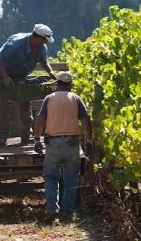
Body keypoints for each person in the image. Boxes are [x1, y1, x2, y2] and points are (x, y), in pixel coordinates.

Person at [33, 71, 93, 223]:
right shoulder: (75, 99)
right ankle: (66, 214)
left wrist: (37, 139)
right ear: (70, 85)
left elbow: (40, 119)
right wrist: (89, 140)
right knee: (71, 178)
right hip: (72, 143)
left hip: (52, 142)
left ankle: (52, 208)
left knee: (50, 176)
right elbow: (86, 119)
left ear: (57, 85)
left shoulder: (49, 99)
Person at [0, 23, 56, 146]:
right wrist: (5, 77)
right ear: (35, 37)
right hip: (0, 74)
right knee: (2, 105)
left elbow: (44, 61)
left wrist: (51, 72)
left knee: (24, 104)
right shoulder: (16, 44)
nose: (45, 43)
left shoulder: (42, 47)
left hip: (20, 76)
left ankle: (26, 138)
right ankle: (2, 138)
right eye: (44, 40)